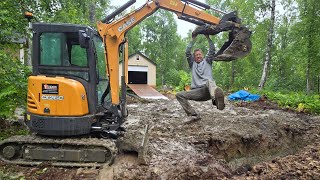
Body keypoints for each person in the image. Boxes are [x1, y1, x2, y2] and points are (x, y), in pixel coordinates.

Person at [176, 34, 225, 120]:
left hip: (208, 91)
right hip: (197, 92)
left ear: (202, 55)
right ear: (194, 57)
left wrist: (208, 38)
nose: (198, 56)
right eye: (196, 55)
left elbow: (212, 50)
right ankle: (193, 114)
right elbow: (187, 52)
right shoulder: (192, 64)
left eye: (199, 54)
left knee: (210, 82)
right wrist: (193, 39)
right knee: (179, 95)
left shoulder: (208, 61)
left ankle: (217, 101)